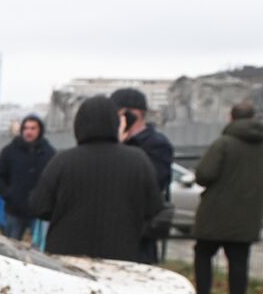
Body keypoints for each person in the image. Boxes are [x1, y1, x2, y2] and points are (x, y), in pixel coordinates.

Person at [29, 95, 163, 261]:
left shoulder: (62, 161)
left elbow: (38, 206)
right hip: (121, 254)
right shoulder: (138, 160)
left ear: (78, 125)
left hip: (67, 254)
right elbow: (154, 208)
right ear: (115, 124)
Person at [190, 101, 263, 294]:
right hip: (247, 216)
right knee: (239, 260)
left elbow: (204, 174)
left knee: (204, 253)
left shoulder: (223, 144)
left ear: (231, 117)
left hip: (215, 213)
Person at [110, 87, 175, 263]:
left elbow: (152, 184)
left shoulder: (156, 145)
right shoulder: (117, 142)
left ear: (131, 114)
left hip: (138, 230)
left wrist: (118, 149)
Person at [0, 115, 54, 240]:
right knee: (9, 248)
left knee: (39, 251)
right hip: (14, 210)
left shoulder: (48, 152)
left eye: (33, 128)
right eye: (26, 128)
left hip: (39, 213)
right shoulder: (10, 151)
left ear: (39, 130)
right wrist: (9, 195)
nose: (29, 131)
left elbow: (54, 180)